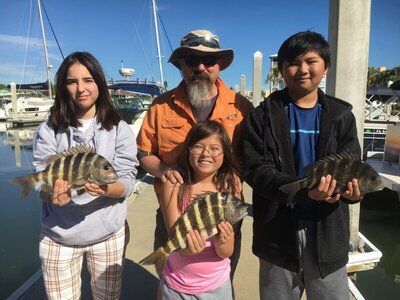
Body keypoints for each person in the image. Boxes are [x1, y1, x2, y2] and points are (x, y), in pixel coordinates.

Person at [241, 31, 363, 300]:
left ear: (325, 67)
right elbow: (254, 169)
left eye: (312, 61)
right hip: (277, 231)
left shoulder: (342, 116)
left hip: (328, 233)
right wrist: (300, 191)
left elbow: (353, 166)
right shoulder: (263, 115)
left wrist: (353, 194)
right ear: (282, 70)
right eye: (294, 63)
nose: (303, 70)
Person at [136, 29, 253, 281]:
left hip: (222, 212)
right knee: (170, 277)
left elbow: (253, 157)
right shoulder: (160, 106)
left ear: (219, 65)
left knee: (221, 277)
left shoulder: (241, 106)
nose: (201, 66)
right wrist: (162, 170)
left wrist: (235, 176)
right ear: (181, 64)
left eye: (209, 60)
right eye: (191, 60)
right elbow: (144, 153)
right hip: (172, 212)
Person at [33, 52, 138, 299]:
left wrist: (108, 190)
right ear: (63, 87)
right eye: (72, 81)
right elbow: (41, 176)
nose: (81, 88)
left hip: (107, 233)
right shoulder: (48, 129)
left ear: (99, 83)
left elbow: (128, 176)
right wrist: (50, 195)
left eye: (88, 80)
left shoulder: (119, 128)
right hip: (58, 234)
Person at [160, 120, 241, 299]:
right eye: (198, 147)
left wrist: (223, 241)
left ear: (225, 153)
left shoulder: (230, 187)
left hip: (216, 285)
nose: (206, 154)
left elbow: (226, 252)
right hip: (176, 284)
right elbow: (175, 238)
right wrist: (186, 248)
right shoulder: (174, 184)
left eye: (214, 148)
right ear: (188, 149)